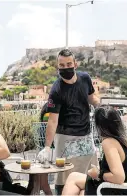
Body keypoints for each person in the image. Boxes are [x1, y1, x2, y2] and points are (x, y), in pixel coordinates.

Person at [37, 49, 100, 195]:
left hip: (86, 135)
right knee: (64, 177)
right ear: (58, 67)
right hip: (65, 138)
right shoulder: (56, 90)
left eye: (69, 64)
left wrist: (103, 106)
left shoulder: (85, 78)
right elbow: (53, 121)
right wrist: (47, 147)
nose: (66, 68)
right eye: (62, 65)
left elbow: (92, 98)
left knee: (91, 174)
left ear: (75, 64)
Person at [62, 107, 127, 195]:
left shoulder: (108, 142)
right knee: (77, 183)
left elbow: (119, 177)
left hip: (124, 190)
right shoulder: (121, 140)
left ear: (99, 126)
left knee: (74, 180)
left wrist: (98, 174)